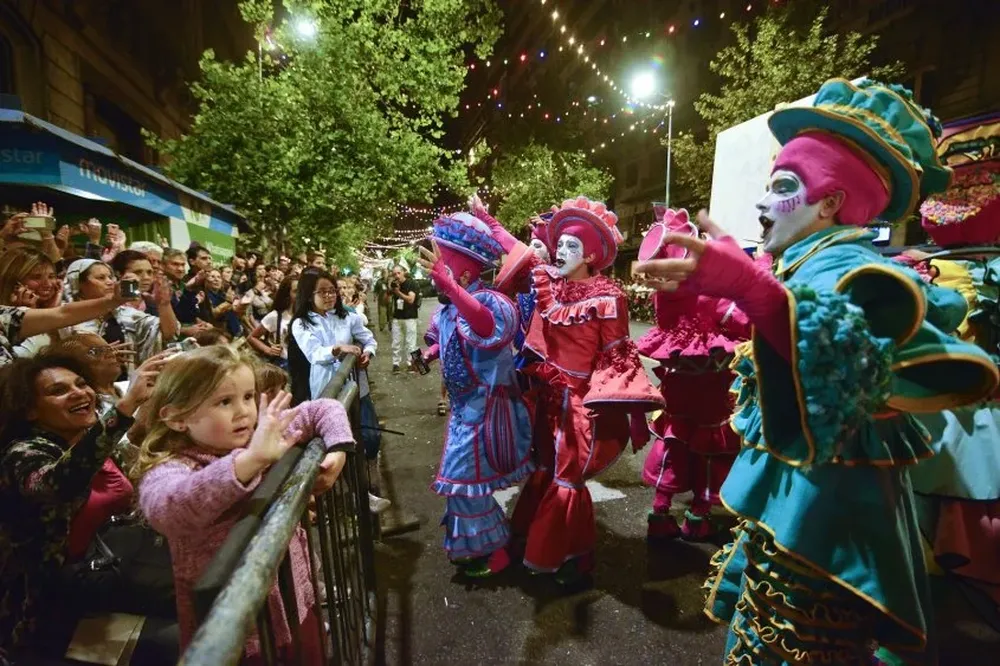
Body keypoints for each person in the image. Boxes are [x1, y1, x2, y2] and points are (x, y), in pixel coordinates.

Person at [633, 79, 1000, 664]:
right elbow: (769, 330)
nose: (761, 204)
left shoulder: (850, 265)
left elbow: (857, 366)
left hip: (827, 520)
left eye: (783, 187)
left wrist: (750, 287)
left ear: (830, 203)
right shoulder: (807, 260)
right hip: (803, 503)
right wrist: (732, 288)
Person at [476, 195, 664, 586]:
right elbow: (517, 251)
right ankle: (568, 552)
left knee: (567, 478)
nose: (561, 251)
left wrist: (618, 405)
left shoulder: (609, 297)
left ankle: (565, 555)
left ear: (591, 255)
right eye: (559, 244)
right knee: (548, 469)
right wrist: (485, 217)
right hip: (548, 397)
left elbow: (618, 355)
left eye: (571, 246)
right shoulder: (550, 285)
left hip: (580, 406)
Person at [134, 346, 352, 662]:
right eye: (224, 402)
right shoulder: (171, 466)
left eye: (248, 397)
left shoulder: (256, 437)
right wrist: (249, 461)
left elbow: (323, 408)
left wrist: (338, 450)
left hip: (295, 604)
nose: (244, 412)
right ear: (177, 417)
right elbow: (167, 508)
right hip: (238, 633)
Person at [0, 348, 164, 654]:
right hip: (48, 608)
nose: (79, 393)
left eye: (81, 383)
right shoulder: (22, 453)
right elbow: (58, 484)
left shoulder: (85, 438)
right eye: (59, 390)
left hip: (110, 569)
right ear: (30, 410)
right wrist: (124, 408)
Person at [416, 213, 534, 577]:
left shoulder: (492, 302)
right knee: (464, 485)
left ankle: (494, 550)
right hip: (464, 410)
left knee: (464, 481)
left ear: (464, 272)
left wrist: (450, 287)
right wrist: (429, 354)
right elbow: (447, 338)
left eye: (444, 262)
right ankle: (480, 547)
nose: (435, 269)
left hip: (487, 412)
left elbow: (484, 324)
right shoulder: (448, 307)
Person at [634, 206, 751, 542]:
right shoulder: (710, 295)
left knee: (673, 439)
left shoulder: (666, 297)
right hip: (712, 394)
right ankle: (698, 515)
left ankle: (660, 510)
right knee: (709, 449)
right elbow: (745, 322)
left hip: (678, 390)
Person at [63, 258, 178, 372]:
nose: (109, 282)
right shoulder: (65, 317)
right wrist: (99, 354)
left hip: (124, 384)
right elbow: (60, 354)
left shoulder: (124, 314)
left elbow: (167, 334)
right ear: (78, 284)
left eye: (110, 277)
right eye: (101, 278)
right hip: (82, 384)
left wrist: (164, 304)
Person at [288, 270, 376, 404]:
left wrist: (368, 353)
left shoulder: (347, 317)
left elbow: (368, 339)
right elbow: (314, 353)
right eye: (322, 292)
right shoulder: (301, 323)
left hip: (353, 383)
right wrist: (336, 349)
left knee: (360, 418)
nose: (329, 296)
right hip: (325, 385)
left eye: (332, 290)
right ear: (309, 295)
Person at [0, 248, 63, 357]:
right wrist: (23, 316)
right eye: (36, 277)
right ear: (14, 282)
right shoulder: (3, 316)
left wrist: (51, 311)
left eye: (51, 277)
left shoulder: (60, 309)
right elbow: (17, 363)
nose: (47, 284)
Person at [247, 275, 297, 368]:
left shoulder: (308, 315)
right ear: (287, 293)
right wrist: (268, 350)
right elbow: (252, 337)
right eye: (296, 291)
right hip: (285, 365)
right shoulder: (276, 316)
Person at [389, 264, 418, 373]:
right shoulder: (394, 285)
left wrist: (398, 292)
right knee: (396, 342)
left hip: (410, 317)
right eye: (394, 274)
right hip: (397, 317)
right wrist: (390, 288)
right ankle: (395, 364)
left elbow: (411, 299)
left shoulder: (412, 283)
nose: (396, 276)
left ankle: (412, 364)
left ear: (403, 272)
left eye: (398, 273)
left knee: (411, 343)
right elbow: (386, 300)